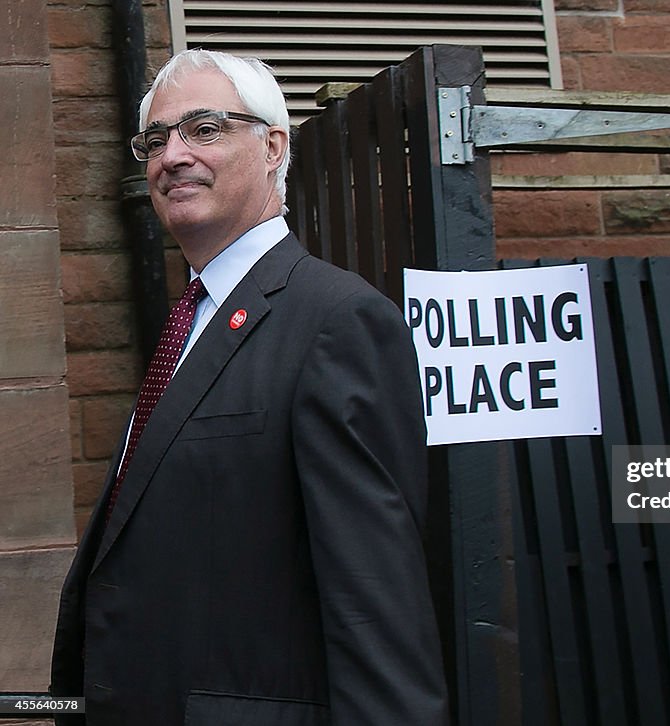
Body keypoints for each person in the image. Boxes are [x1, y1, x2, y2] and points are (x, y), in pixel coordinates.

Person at [49, 49, 448, 726]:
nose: (172, 155)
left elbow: (374, 605)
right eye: (156, 139)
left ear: (272, 147)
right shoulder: (192, 322)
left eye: (204, 130)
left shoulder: (334, 321)